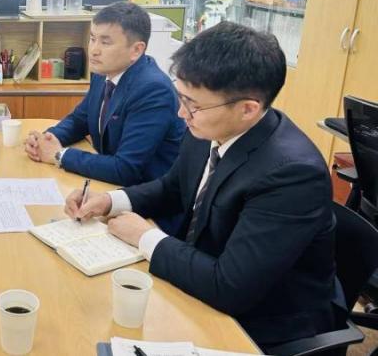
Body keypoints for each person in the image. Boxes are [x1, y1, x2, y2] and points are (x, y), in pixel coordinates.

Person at [65, 22, 342, 349]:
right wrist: (110, 201)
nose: (181, 113)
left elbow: (231, 287)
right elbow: (172, 188)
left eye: (193, 104)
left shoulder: (292, 175)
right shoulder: (209, 127)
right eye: (181, 97)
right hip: (199, 279)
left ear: (248, 109)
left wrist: (144, 236)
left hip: (263, 322)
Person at [25, 2, 185, 188]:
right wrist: (47, 139)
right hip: (108, 185)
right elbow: (79, 120)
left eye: (105, 42)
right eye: (92, 39)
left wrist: (60, 155)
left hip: (143, 195)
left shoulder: (153, 90)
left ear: (136, 50)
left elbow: (126, 169)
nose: (94, 50)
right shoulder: (104, 73)